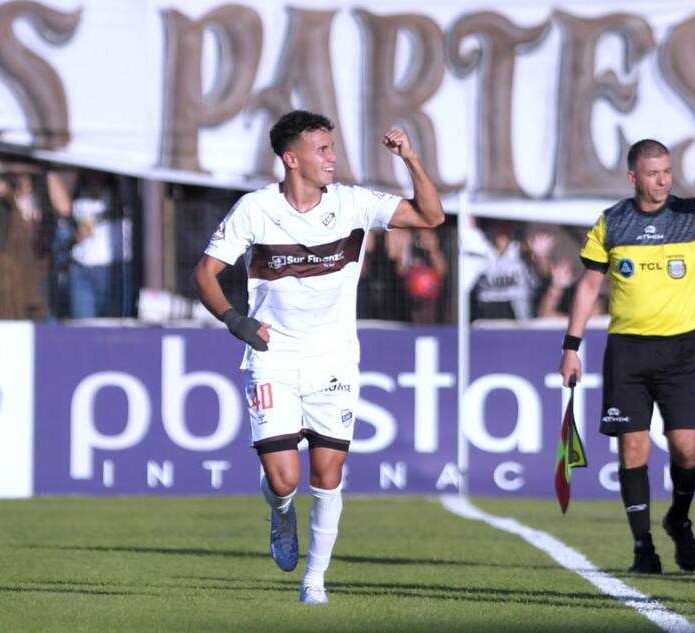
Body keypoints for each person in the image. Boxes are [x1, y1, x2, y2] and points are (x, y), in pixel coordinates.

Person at [192, 110, 444, 604]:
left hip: (334, 360)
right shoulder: (255, 209)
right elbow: (205, 273)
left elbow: (430, 216)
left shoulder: (352, 204)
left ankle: (315, 581)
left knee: (328, 476)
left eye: (332, 148)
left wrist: (411, 158)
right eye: (322, 149)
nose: (332, 157)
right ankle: (280, 514)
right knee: (283, 481)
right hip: (273, 358)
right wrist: (236, 321)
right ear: (292, 159)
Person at [560, 138, 695, 574]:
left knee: (686, 449)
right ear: (633, 177)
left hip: (679, 351)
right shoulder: (612, 222)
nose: (663, 180)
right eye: (653, 174)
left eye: (667, 171)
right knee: (633, 448)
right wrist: (571, 347)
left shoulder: (693, 215)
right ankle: (643, 548)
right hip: (627, 351)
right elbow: (589, 288)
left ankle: (678, 519)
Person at [0, 153, 70, 320]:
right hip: (9, 272)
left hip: (40, 269)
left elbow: (64, 208)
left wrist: (48, 168)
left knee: (43, 318)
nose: (18, 172)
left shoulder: (43, 194)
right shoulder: (4, 196)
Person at [68, 169, 134, 318]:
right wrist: (76, 235)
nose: (94, 175)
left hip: (114, 268)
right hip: (82, 269)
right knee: (83, 326)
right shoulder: (77, 194)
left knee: (114, 323)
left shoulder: (121, 193)